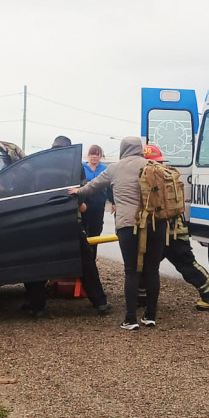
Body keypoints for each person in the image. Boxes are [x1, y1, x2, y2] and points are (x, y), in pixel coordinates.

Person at [69, 136, 166, 331]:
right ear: (139, 149)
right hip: (156, 224)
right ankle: (150, 316)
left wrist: (75, 192)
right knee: (152, 270)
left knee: (131, 270)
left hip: (128, 225)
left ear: (123, 149)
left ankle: (130, 319)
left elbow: (91, 188)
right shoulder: (153, 165)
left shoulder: (115, 168)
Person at [22, 136, 112, 318]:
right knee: (85, 262)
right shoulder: (75, 165)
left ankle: (37, 305)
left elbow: (30, 189)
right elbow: (82, 190)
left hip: (43, 219)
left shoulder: (40, 162)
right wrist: (80, 205)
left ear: (52, 146)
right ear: (69, 149)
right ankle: (100, 302)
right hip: (69, 219)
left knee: (37, 261)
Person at [138, 144, 209, 311]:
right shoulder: (169, 174)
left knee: (150, 264)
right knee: (181, 264)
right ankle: (141, 296)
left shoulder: (147, 176)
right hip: (175, 228)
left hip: (161, 231)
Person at [81, 144, 115, 259]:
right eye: (92, 154)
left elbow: (110, 186)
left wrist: (113, 202)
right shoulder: (82, 167)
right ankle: (84, 257)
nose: (94, 157)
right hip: (84, 205)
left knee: (96, 231)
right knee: (84, 231)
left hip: (99, 206)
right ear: (88, 155)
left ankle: (93, 257)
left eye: (97, 154)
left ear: (100, 156)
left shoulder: (105, 169)